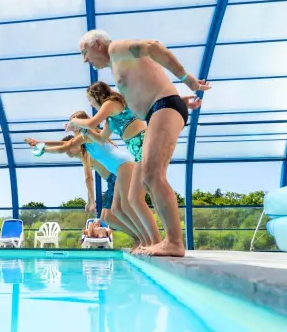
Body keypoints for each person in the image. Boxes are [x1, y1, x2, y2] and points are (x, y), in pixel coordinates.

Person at [78, 29, 210, 256]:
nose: (84, 59)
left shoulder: (116, 48)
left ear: (97, 43)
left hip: (163, 106)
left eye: (84, 52)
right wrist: (180, 99)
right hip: (161, 107)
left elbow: (153, 46)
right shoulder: (118, 65)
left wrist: (186, 79)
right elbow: (145, 87)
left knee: (152, 176)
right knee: (149, 180)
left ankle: (174, 241)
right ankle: (166, 240)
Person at [67, 81, 202, 253]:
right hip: (137, 150)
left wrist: (75, 122)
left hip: (143, 141)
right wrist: (84, 131)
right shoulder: (110, 118)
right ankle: (151, 241)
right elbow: (101, 138)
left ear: (96, 95)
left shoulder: (111, 102)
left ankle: (157, 241)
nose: (90, 103)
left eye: (90, 99)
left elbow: (93, 121)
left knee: (141, 195)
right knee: (132, 200)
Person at [26, 111, 155, 249]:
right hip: (118, 170)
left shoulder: (89, 135)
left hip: (123, 167)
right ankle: (142, 239)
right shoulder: (84, 139)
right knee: (115, 211)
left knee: (126, 207)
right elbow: (66, 144)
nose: (69, 124)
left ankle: (149, 240)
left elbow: (67, 151)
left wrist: (44, 149)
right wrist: (41, 143)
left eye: (72, 121)